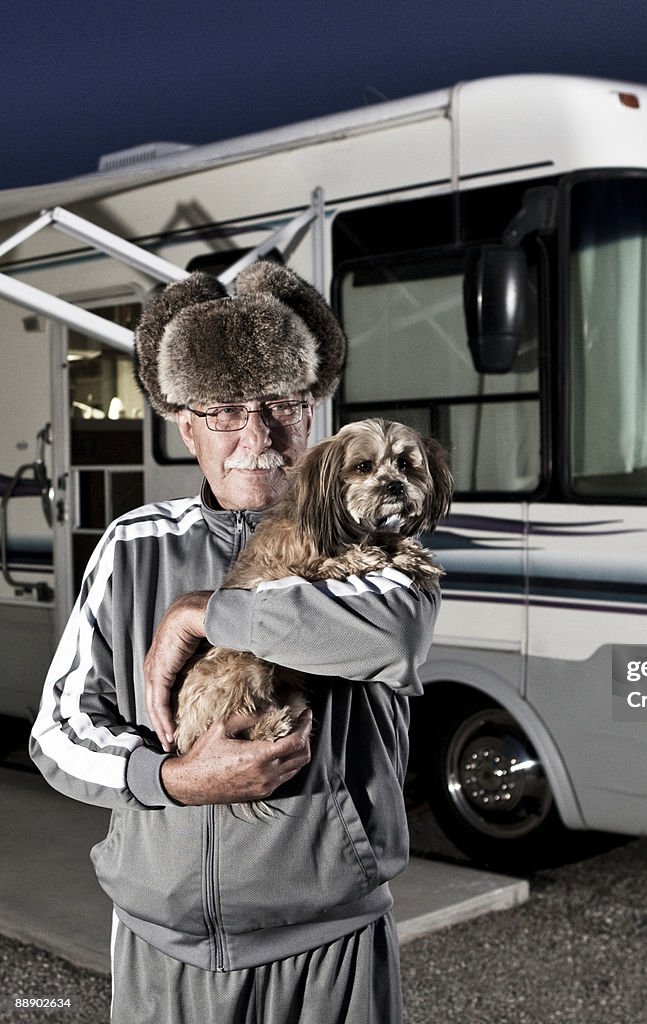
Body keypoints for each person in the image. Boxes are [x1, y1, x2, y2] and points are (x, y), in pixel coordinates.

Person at [29, 261, 437, 1023]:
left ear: (312, 411)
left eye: (280, 404)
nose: (257, 436)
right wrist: (174, 779)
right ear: (183, 421)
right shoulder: (134, 545)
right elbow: (57, 733)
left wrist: (199, 614)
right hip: (161, 948)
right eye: (222, 410)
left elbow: (397, 631)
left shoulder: (371, 531)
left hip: (327, 945)